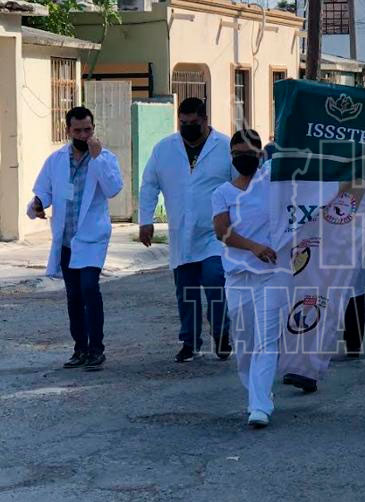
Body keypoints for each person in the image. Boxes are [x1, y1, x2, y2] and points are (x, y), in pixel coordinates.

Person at [26, 106, 123, 370]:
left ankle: (96, 349)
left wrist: (98, 158)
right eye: (78, 130)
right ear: (68, 130)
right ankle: (80, 348)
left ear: (94, 129)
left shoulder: (104, 158)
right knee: (74, 296)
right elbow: (43, 191)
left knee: (90, 289)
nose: (83, 135)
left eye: (88, 130)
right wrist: (37, 204)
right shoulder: (56, 160)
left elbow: (113, 189)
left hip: (92, 237)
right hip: (67, 239)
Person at [139, 98, 233, 363]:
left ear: (205, 120)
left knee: (215, 281)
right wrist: (146, 220)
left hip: (216, 234)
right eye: (183, 123)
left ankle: (221, 333)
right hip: (181, 233)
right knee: (186, 291)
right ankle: (190, 342)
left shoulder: (224, 147)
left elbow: (240, 185)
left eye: (194, 123)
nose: (188, 128)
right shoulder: (164, 149)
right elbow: (149, 185)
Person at [212, 129, 290, 428]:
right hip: (238, 276)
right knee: (244, 345)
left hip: (271, 275)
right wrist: (253, 247)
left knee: (266, 341)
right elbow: (222, 232)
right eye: (237, 154)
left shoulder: (273, 183)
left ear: (260, 154)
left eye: (248, 153)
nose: (242, 158)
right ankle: (258, 391)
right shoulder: (222, 193)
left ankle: (259, 405)